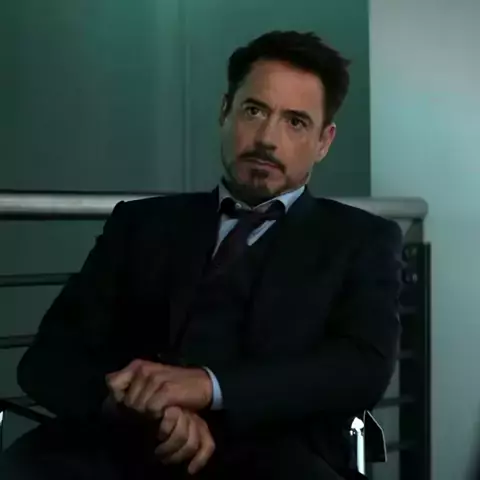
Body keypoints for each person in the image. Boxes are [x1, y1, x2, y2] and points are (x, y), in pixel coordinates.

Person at [0, 30, 403, 480]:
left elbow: (363, 368)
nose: (267, 138)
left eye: (295, 122)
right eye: (254, 110)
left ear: (324, 141)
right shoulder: (140, 224)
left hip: (271, 457)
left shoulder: (360, 239)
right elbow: (48, 359)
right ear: (224, 111)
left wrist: (209, 387)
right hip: (122, 446)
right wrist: (138, 407)